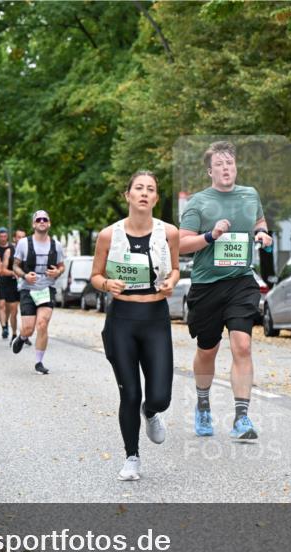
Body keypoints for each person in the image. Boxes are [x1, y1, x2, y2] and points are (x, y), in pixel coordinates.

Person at [178, 141, 273, 440]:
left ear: (236, 167)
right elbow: (181, 243)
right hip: (207, 285)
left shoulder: (250, 194)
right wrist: (211, 235)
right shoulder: (198, 202)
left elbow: (260, 222)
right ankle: (203, 405)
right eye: (219, 164)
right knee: (208, 349)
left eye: (230, 162)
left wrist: (262, 234)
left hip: (241, 280)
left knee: (242, 346)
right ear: (210, 171)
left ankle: (241, 418)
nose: (226, 168)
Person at [90, 171, 179, 481]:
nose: (144, 193)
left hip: (155, 318)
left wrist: (170, 283)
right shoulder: (107, 235)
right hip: (122, 321)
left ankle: (151, 412)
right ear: (127, 195)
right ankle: (132, 457)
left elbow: (176, 269)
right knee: (129, 393)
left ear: (155, 198)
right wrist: (107, 284)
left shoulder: (169, 233)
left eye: (150, 189)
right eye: (138, 188)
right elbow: (95, 276)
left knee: (160, 396)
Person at [11, 210, 65, 374]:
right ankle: (22, 337)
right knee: (28, 329)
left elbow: (62, 266)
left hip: (46, 288)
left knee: (42, 324)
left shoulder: (56, 245)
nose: (42, 221)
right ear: (34, 224)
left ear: (49, 223)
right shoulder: (24, 244)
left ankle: (38, 362)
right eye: (38, 219)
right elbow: (15, 266)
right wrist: (25, 275)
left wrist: (58, 272)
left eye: (45, 219)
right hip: (28, 289)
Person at [0, 227, 20, 341]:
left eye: (5, 236)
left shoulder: (12, 248)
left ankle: (8, 323)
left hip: (11, 281)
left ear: (7, 237)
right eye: (1, 236)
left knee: (10, 307)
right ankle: (4, 327)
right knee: (2, 305)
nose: (3, 238)